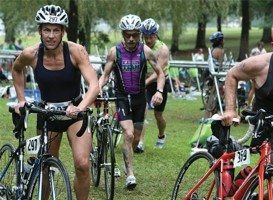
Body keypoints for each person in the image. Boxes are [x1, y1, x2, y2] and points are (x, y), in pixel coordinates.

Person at [11, 5, 99, 200]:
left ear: (63, 32)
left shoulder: (76, 51)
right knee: (45, 166)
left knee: (83, 164)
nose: (51, 35)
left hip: (74, 112)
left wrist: (80, 108)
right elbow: (16, 69)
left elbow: (94, 84)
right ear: (40, 31)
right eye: (46, 30)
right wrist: (21, 99)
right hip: (47, 113)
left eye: (56, 30)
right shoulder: (31, 54)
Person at [222, 22, 273, 199]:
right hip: (267, 132)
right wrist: (230, 110)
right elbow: (231, 74)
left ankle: (252, 196)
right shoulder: (261, 65)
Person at [98, 14, 165, 189]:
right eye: (127, 34)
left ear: (139, 34)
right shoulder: (114, 52)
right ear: (122, 33)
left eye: (135, 34)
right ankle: (130, 174)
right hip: (122, 98)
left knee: (135, 138)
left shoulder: (146, 51)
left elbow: (160, 73)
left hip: (139, 99)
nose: (131, 38)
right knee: (128, 134)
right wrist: (96, 90)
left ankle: (126, 163)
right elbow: (105, 76)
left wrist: (159, 91)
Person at [135, 18, 170, 153]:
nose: (148, 40)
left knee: (158, 115)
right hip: (145, 83)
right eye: (145, 37)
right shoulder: (140, 46)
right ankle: (140, 143)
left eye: (151, 37)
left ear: (155, 35)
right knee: (142, 112)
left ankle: (161, 135)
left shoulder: (162, 49)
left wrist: (145, 82)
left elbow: (159, 72)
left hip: (158, 83)